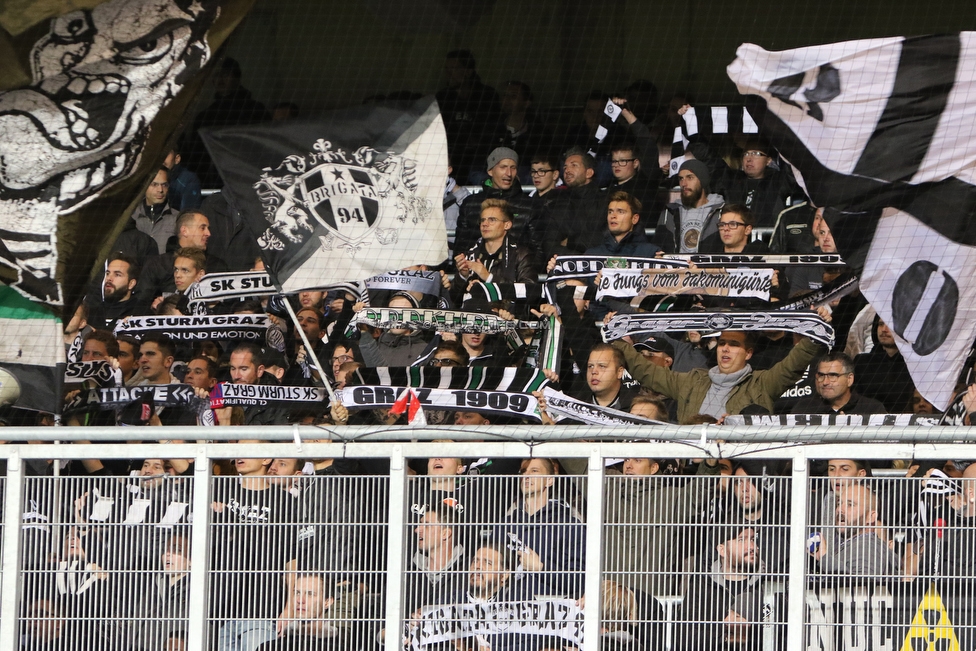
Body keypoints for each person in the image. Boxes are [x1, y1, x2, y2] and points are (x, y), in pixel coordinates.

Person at [612, 326, 825, 423]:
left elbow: (791, 366)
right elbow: (647, 371)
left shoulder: (762, 383)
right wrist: (618, 338)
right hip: (692, 466)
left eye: (734, 345)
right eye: (722, 343)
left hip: (733, 467)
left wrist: (814, 334)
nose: (725, 349)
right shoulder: (692, 380)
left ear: (748, 353)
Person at [211, 444, 300, 651]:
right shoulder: (219, 491)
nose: (241, 455)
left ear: (266, 460)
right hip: (217, 610)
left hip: (261, 607)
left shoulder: (283, 501)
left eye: (249, 450)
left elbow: (291, 558)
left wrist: (288, 607)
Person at [679, 520, 767, 651]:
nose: (751, 546)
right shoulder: (703, 584)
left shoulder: (767, 582)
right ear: (722, 550)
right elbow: (683, 634)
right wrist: (725, 633)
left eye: (753, 539)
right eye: (741, 540)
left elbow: (782, 631)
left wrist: (749, 631)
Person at [503, 458, 584, 599]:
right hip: (508, 612)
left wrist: (541, 568)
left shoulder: (570, 526)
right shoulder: (505, 525)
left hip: (550, 615)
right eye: (523, 471)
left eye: (534, 471)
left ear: (550, 480)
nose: (526, 475)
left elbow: (579, 580)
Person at [453, 147, 542, 262]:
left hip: (515, 275)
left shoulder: (530, 205)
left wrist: (521, 271)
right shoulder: (470, 204)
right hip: (476, 273)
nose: (509, 173)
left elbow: (537, 251)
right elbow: (461, 247)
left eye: (513, 168)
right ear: (490, 171)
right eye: (503, 167)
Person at [435, 50, 503, 184]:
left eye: (453, 69)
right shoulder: (443, 97)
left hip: (481, 157)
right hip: (452, 158)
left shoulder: (487, 95)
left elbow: (493, 130)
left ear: (468, 71)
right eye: (447, 69)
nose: (448, 74)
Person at [452, 199, 537, 300]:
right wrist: (462, 277)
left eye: (492, 220)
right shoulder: (470, 255)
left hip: (507, 314)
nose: (485, 224)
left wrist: (489, 278)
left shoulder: (521, 255)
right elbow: (454, 299)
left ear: (507, 225)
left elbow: (530, 293)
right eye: (482, 220)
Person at [136, 210, 225, 305]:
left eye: (208, 228)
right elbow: (141, 302)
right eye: (202, 228)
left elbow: (227, 302)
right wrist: (158, 308)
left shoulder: (217, 265)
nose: (208, 233)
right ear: (184, 231)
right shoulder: (158, 264)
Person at [811, 483, 899, 577]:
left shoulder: (867, 547)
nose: (839, 509)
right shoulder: (856, 545)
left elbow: (863, 584)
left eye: (850, 505)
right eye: (839, 503)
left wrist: (824, 558)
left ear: (871, 517)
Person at [714, 140, 802, 228]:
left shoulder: (778, 181)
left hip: (767, 238)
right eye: (746, 154)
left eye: (756, 154)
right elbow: (708, 159)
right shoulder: (731, 179)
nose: (749, 159)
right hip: (734, 237)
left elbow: (793, 164)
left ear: (768, 160)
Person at [543, 147, 607, 257]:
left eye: (574, 165)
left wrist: (571, 241)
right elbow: (550, 246)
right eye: (565, 167)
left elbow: (608, 239)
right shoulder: (554, 204)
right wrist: (580, 261)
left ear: (589, 173)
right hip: (569, 270)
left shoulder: (606, 202)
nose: (567, 170)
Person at [653, 159, 725, 253]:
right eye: (681, 179)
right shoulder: (669, 213)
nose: (684, 184)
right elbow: (657, 247)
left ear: (703, 181)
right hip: (676, 267)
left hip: (707, 267)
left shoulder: (721, 212)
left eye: (690, 178)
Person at [853, 317, 916, 413]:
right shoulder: (862, 363)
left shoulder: (916, 365)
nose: (884, 330)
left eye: (890, 326)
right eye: (881, 324)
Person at [791, 352, 886, 414]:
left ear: (849, 379)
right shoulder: (803, 410)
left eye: (833, 376)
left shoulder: (872, 409)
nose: (825, 382)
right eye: (821, 376)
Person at [83, 253, 147, 331]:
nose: (109, 278)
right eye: (107, 273)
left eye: (117, 274)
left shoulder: (142, 316)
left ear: (131, 284)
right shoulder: (89, 314)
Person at [230, 343, 288, 426]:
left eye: (243, 369)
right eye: (233, 369)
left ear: (260, 371)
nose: (236, 376)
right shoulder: (222, 395)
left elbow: (281, 437)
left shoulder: (277, 401)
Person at [132, 167, 180, 254]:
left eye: (164, 185)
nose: (160, 190)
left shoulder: (178, 218)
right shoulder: (132, 217)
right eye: (154, 184)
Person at [702, 204, 768, 254]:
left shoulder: (761, 257)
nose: (726, 228)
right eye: (722, 225)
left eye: (732, 224)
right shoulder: (708, 255)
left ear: (747, 230)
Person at [163, 147, 202, 211]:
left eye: (166, 153)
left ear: (177, 159)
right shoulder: (149, 178)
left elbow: (188, 213)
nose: (162, 158)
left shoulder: (188, 180)